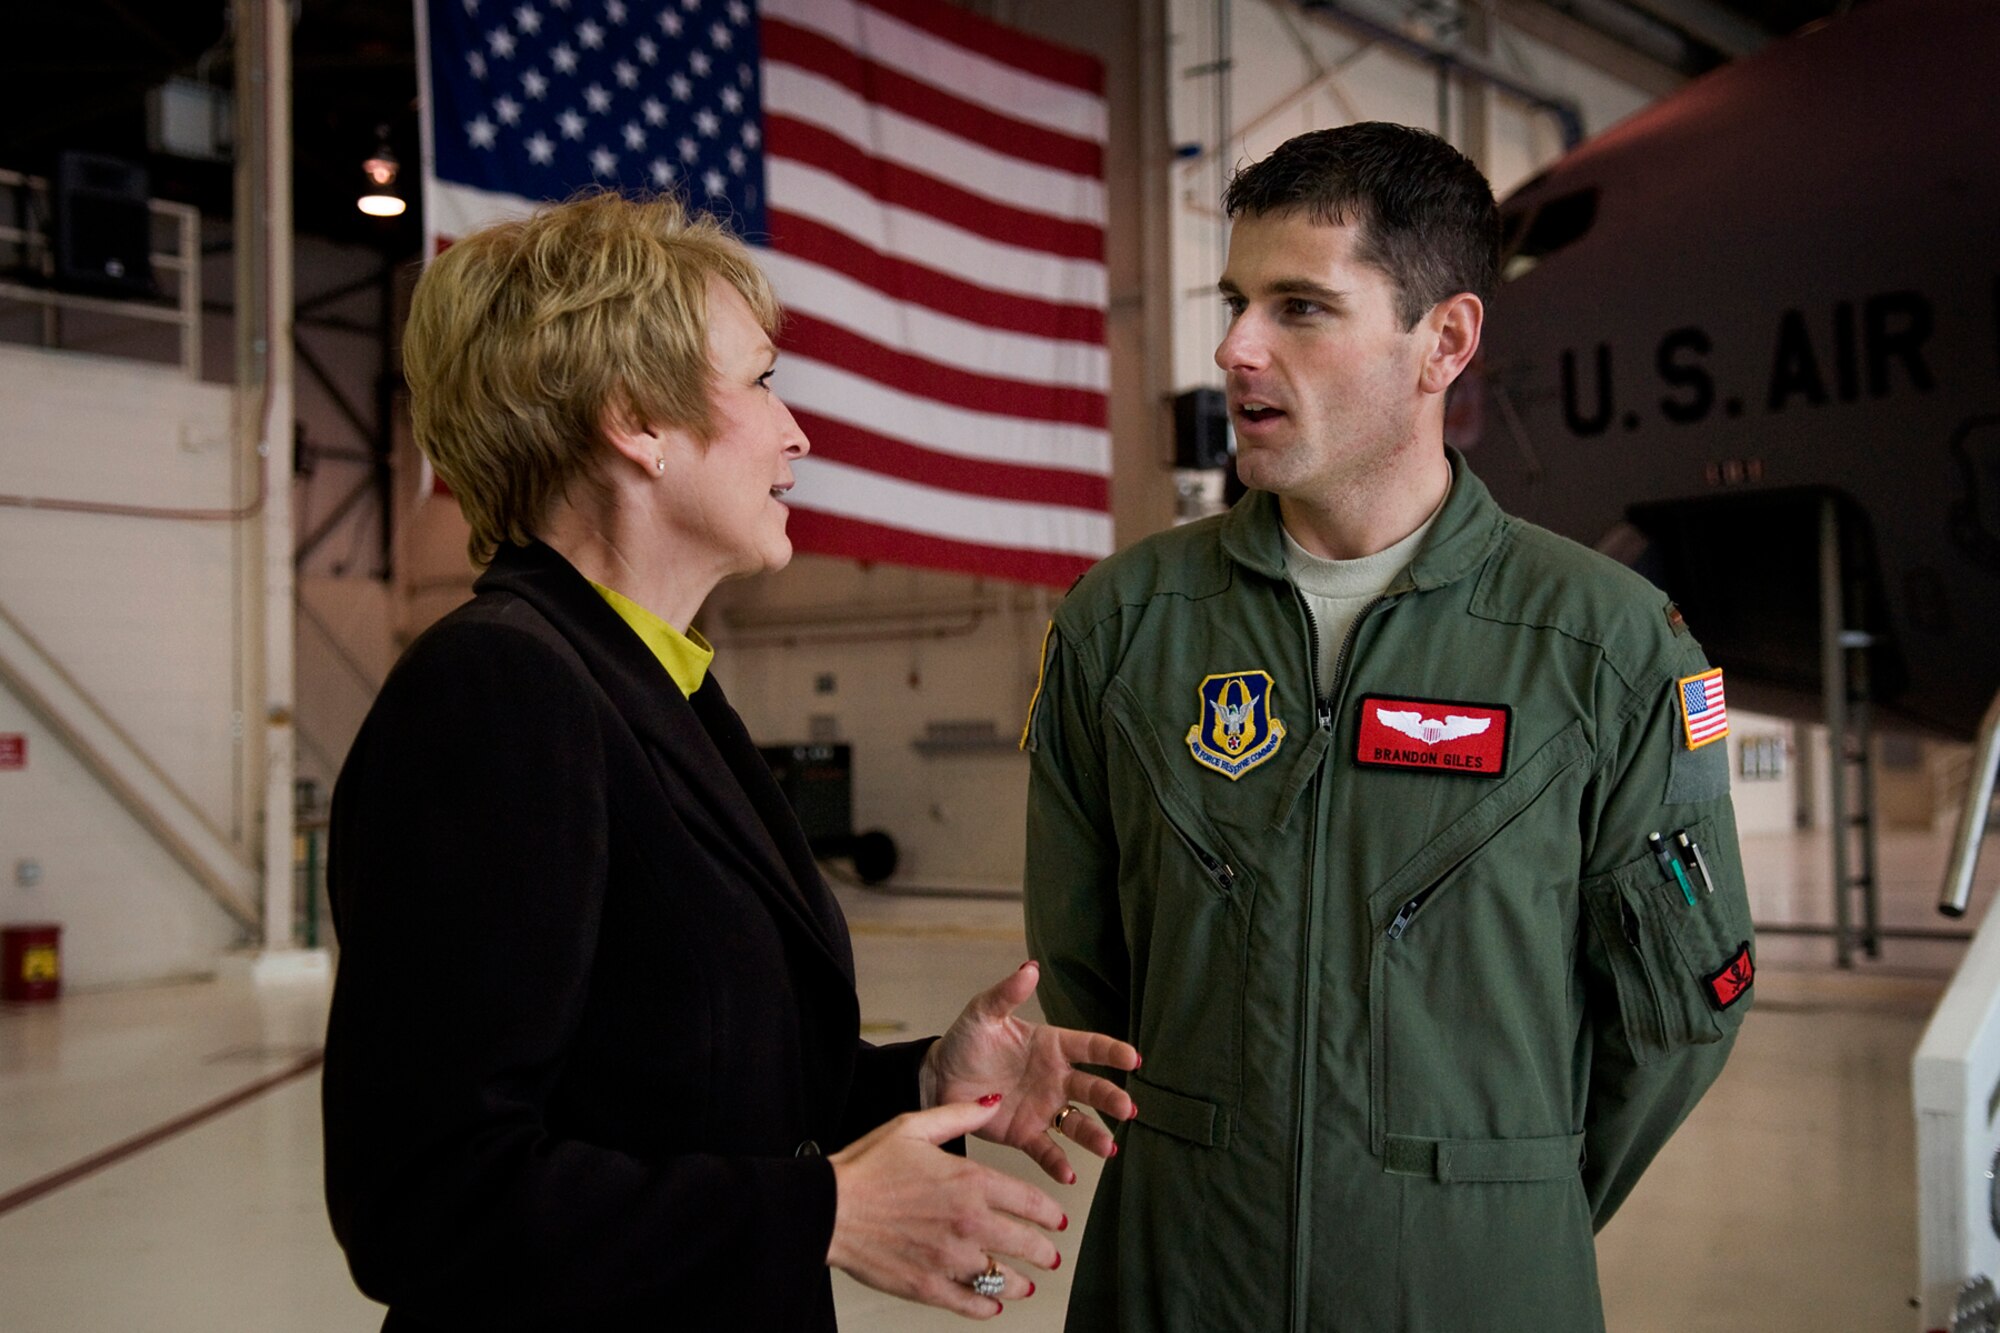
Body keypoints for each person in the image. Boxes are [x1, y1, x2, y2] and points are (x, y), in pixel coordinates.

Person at [321, 192, 1139, 1331]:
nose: (794, 431)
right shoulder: (498, 695)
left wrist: (914, 1083)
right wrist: (821, 1214)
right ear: (633, 422)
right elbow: (422, 1196)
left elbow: (674, 1088)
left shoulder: (655, 683)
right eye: (759, 380)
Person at [1022, 122, 1754, 1332]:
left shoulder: (1607, 644)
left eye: (1299, 307)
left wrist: (1493, 1196)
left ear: (1444, 341)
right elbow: (1085, 964)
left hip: (1474, 1285)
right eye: (1236, 301)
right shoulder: (1123, 624)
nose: (1234, 348)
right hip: (1180, 1275)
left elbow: (1675, 1015)